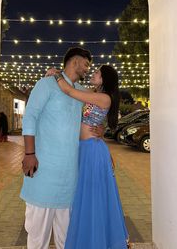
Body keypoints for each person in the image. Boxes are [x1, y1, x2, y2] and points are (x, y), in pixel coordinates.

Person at [21, 47, 97, 249]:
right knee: (38, 237)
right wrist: (29, 153)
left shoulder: (80, 92)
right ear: (75, 62)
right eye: (86, 64)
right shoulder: (45, 84)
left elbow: (101, 104)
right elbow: (30, 117)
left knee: (67, 238)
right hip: (44, 171)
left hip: (69, 177)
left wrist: (100, 128)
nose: (88, 69)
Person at [53, 65, 130, 249]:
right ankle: (89, 240)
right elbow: (75, 89)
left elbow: (69, 90)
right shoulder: (95, 93)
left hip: (93, 152)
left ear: (104, 79)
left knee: (93, 197)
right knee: (86, 197)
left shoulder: (103, 98)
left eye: (97, 73)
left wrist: (56, 74)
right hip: (86, 149)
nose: (93, 74)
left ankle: (97, 242)